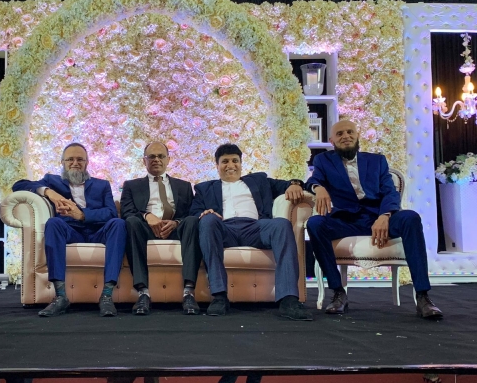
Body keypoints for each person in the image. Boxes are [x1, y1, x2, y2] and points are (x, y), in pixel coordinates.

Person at [305, 120, 443, 318]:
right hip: (346, 221)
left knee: (410, 218)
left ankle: (423, 297)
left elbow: (390, 192)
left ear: (357, 135)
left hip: (377, 217)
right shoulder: (323, 161)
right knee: (315, 223)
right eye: (340, 134)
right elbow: (313, 179)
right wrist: (318, 188)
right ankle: (338, 292)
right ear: (332, 140)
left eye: (350, 132)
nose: (346, 136)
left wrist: (384, 216)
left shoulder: (377, 161)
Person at [189, 143, 312, 320]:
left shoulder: (258, 180)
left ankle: (289, 300)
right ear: (217, 165)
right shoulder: (204, 188)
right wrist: (204, 213)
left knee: (282, 224)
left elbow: (284, 184)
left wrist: (294, 184)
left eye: (235, 160)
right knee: (207, 221)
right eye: (225, 161)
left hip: (256, 228)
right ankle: (219, 296)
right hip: (224, 229)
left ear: (241, 163)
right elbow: (194, 212)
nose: (230, 165)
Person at [12, 143, 126, 317]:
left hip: (97, 231)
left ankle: (107, 295)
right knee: (53, 223)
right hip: (69, 231)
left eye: (80, 159)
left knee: (118, 223)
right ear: (62, 162)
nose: (75, 163)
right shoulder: (52, 181)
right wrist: (49, 192)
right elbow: (18, 185)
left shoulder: (102, 185)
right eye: (70, 159)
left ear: (87, 163)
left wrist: (82, 215)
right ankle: (61, 296)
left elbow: (111, 212)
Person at [120, 142, 203, 315]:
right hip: (145, 229)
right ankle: (143, 292)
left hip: (175, 229)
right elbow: (127, 212)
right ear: (144, 161)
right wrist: (146, 216)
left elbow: (192, 212)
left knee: (192, 222)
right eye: (151, 156)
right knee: (131, 222)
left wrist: (177, 222)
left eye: (161, 156)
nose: (156, 160)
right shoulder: (131, 186)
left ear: (168, 160)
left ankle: (188, 292)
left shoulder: (184, 186)